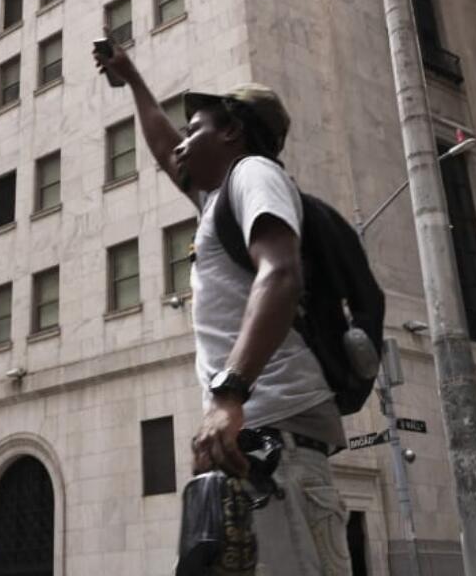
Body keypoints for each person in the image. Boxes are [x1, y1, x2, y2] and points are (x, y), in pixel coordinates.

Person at [93, 41, 352, 575]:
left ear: (231, 131)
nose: (182, 143)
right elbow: (166, 153)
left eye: (194, 130)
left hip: (277, 446)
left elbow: (280, 273)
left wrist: (229, 395)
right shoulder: (218, 203)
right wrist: (134, 80)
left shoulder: (255, 174)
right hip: (250, 449)